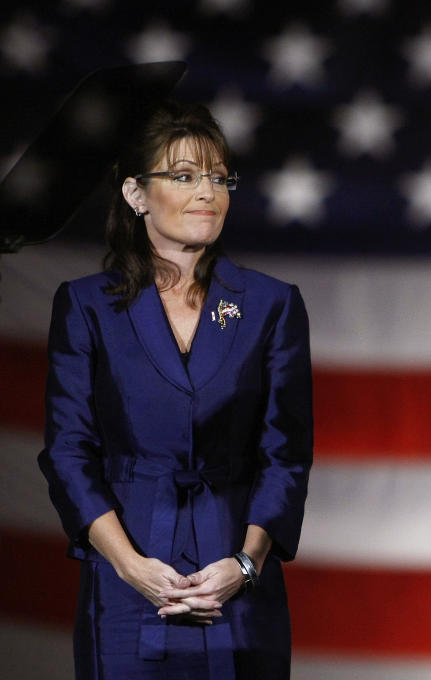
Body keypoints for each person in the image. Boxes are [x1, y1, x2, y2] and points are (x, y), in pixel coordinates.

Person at [38, 99, 313, 679]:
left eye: (218, 177)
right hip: (128, 576)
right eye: (184, 176)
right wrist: (131, 565)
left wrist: (245, 563)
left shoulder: (271, 303)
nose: (207, 192)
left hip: (236, 578)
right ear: (136, 194)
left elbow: (285, 453)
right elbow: (68, 452)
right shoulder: (87, 305)